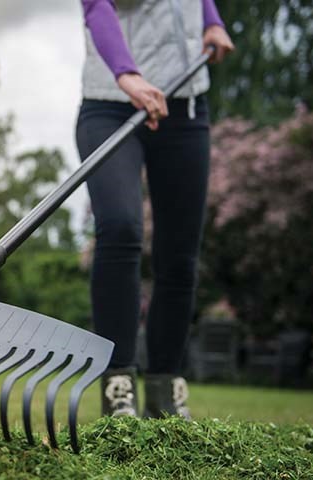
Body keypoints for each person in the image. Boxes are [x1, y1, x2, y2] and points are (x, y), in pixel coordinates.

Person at [77, 0, 234, 418]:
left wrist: (212, 21)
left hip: (185, 107)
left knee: (180, 256)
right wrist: (128, 75)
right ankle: (118, 387)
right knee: (120, 227)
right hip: (110, 103)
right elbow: (96, 6)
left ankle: (165, 392)